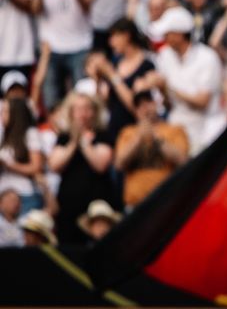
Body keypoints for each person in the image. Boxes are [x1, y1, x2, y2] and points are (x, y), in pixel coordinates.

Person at [142, 7, 223, 155]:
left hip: (204, 131)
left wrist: (167, 86)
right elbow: (167, 104)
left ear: (179, 35)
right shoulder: (165, 56)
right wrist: (161, 89)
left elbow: (202, 101)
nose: (164, 38)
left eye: (167, 34)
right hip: (175, 128)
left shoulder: (207, 57)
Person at [34, 0, 97, 111]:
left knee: (82, 99)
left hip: (80, 44)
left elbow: (87, 5)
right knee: (52, 101)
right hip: (51, 45)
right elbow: (36, 9)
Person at [49, 92, 116, 245]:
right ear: (71, 112)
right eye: (78, 109)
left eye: (87, 108)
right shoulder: (64, 137)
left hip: (97, 208)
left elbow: (100, 165)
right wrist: (73, 142)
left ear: (94, 111)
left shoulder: (103, 135)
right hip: (69, 208)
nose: (82, 114)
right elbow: (54, 165)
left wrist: (84, 142)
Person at [115, 90, 188, 209]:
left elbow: (183, 160)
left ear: (156, 104)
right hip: (136, 204)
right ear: (136, 111)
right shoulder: (127, 133)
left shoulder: (175, 130)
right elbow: (119, 164)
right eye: (139, 105)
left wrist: (154, 136)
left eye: (148, 102)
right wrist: (139, 137)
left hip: (167, 201)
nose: (144, 108)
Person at [0, 98, 44, 215]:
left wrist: (9, 165)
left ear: (16, 113)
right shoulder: (3, 135)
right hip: (3, 194)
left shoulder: (30, 133)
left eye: (5, 111)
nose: (1, 115)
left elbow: (36, 167)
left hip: (24, 195)